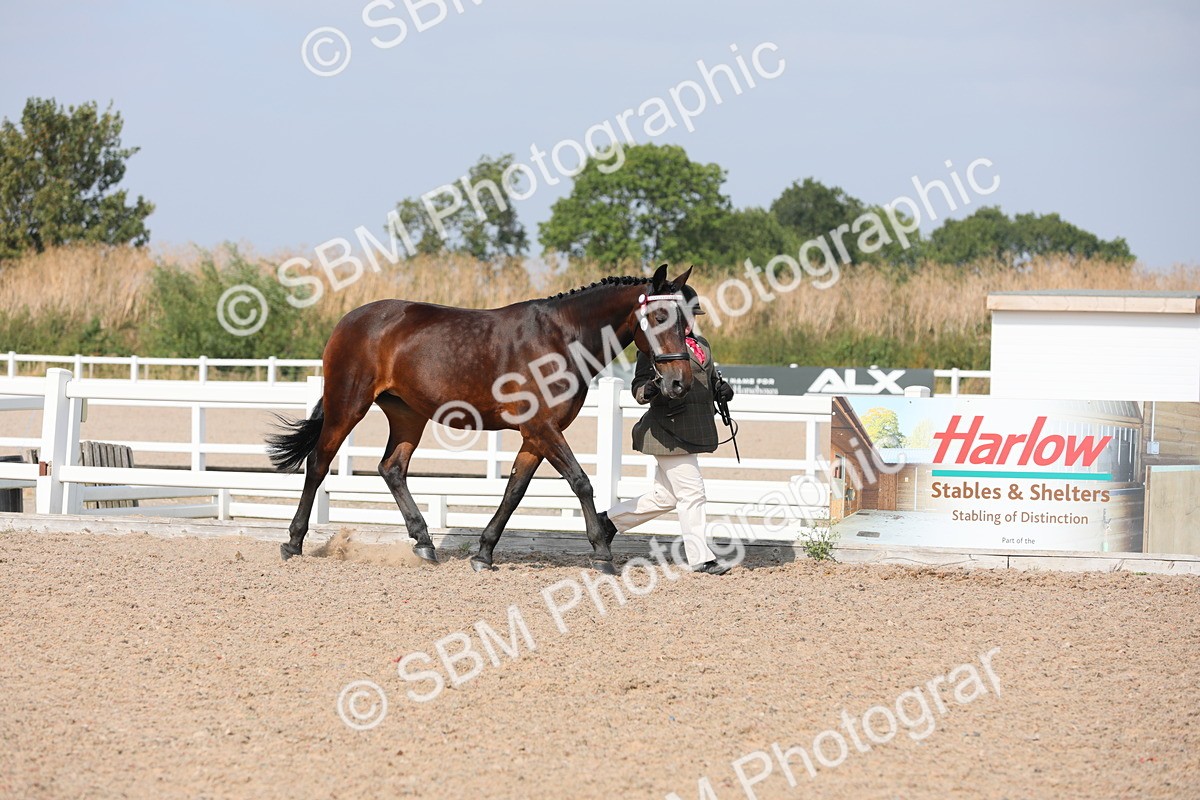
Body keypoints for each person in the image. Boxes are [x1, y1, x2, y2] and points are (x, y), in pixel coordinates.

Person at [598, 284, 736, 575]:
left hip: (693, 429)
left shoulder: (703, 345)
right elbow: (638, 388)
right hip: (667, 431)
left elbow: (705, 381)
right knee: (693, 492)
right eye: (685, 315)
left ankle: (608, 522)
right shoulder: (656, 345)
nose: (690, 321)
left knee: (665, 497)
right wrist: (648, 389)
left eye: (692, 315)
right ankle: (701, 558)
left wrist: (721, 390)